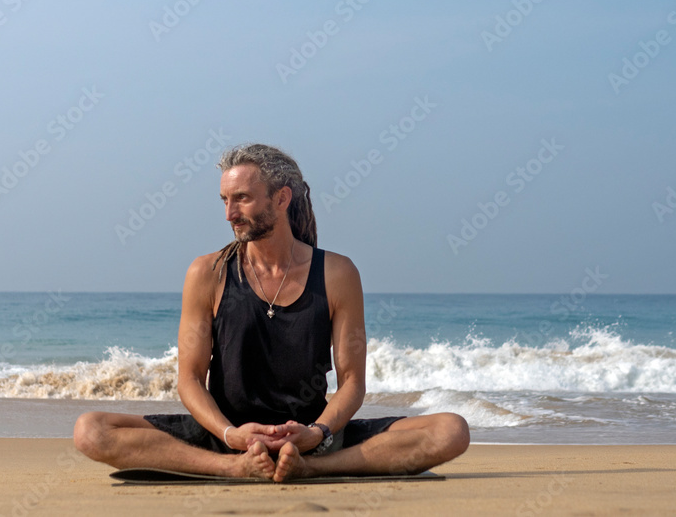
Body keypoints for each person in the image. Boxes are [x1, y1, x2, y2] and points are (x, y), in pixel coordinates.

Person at [74, 144, 469, 482]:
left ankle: (309, 469)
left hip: (312, 440)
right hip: (224, 436)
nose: (229, 213)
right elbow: (190, 379)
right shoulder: (207, 272)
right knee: (90, 430)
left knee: (451, 430)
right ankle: (233, 469)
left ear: (281, 199)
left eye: (242, 198)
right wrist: (233, 436)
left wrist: (317, 433)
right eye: (225, 201)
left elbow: (352, 381)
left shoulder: (337, 273)